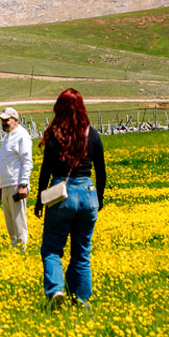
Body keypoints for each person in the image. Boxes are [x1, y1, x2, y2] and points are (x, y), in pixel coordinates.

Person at [34, 88, 106, 310]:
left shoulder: (55, 136)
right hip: (88, 193)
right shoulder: (92, 135)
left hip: (62, 196)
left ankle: (56, 290)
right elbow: (101, 171)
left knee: (51, 249)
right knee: (82, 253)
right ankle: (82, 301)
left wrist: (39, 200)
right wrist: (99, 199)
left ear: (59, 108)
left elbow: (45, 172)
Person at [0, 107, 33, 249]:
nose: (4, 123)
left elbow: (27, 161)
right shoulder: (6, 138)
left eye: (7, 120)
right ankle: (14, 250)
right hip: (6, 185)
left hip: (17, 185)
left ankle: (22, 248)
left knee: (19, 223)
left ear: (15, 120)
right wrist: (1, 186)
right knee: (10, 224)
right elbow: (5, 162)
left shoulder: (22, 135)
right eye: (2, 120)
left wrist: (23, 184)